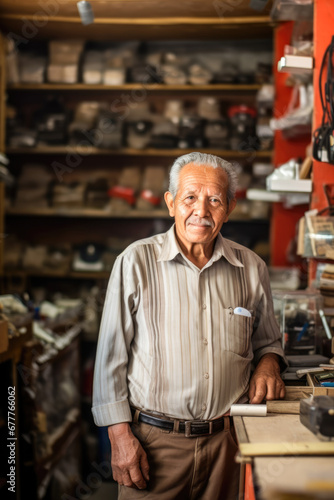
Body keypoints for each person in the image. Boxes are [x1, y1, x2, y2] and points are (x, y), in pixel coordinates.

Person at [92, 152, 287, 500]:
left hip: (229, 440)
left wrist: (269, 363)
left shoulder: (252, 268)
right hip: (155, 444)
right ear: (170, 203)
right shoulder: (135, 262)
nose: (202, 210)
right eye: (190, 197)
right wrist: (119, 438)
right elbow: (110, 360)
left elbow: (268, 341)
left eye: (214, 199)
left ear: (229, 207)